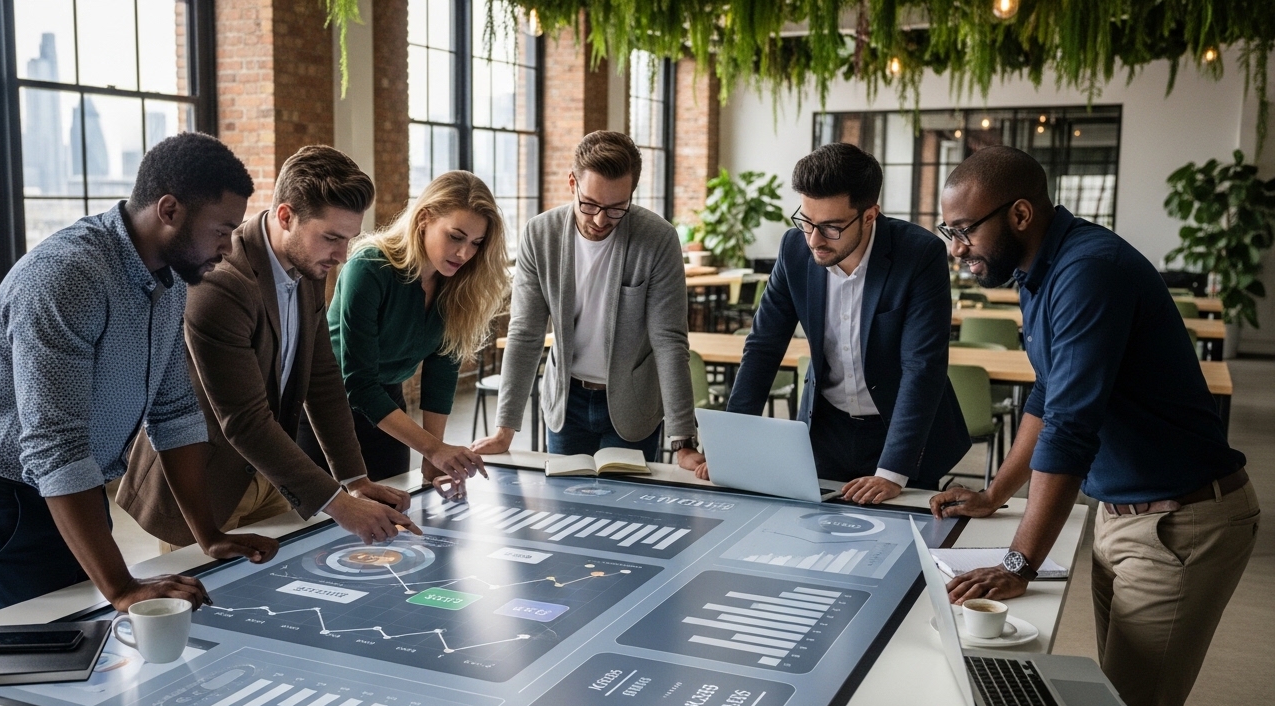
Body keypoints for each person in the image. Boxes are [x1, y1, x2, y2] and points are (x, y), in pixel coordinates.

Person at [930, 146, 1257, 706]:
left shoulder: (1089, 270)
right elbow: (1048, 393)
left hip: (1179, 524)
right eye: (950, 232)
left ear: (1020, 214)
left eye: (964, 230)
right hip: (1125, 514)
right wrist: (996, 493)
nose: (956, 248)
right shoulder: (1038, 271)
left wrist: (1020, 561)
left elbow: (1071, 428)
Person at [0, 133, 269, 621]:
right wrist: (122, 587)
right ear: (169, 210)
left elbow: (175, 413)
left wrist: (208, 535)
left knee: (84, 643)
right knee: (25, 656)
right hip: (2, 502)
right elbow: (55, 447)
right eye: (221, 229)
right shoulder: (67, 277)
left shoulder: (172, 279)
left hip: (75, 495)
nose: (229, 245)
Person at [118, 146, 418, 552]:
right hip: (205, 484)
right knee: (212, 592)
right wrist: (340, 505)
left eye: (348, 239)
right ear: (286, 216)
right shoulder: (221, 282)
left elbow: (323, 379)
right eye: (332, 238)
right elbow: (244, 421)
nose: (341, 255)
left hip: (270, 474)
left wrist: (354, 479)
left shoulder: (309, 261)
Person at [703, 143, 970, 503]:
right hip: (825, 428)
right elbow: (764, 346)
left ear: (869, 215)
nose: (814, 239)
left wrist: (891, 472)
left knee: (903, 532)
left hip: (901, 432)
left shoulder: (919, 254)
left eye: (830, 227)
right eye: (806, 221)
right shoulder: (794, 249)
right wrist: (732, 443)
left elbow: (922, 366)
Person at [471, 131, 706, 469]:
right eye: (590, 204)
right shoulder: (540, 235)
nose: (600, 220)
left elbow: (669, 341)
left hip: (633, 403)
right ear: (572, 183)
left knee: (627, 500)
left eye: (616, 209)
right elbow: (525, 333)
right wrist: (504, 430)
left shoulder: (658, 239)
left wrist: (683, 442)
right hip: (567, 401)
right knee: (565, 497)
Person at [298, 170, 506, 495]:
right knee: (328, 520)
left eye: (476, 243)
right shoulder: (369, 268)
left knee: (394, 510)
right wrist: (433, 448)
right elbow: (359, 384)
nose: (464, 253)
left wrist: (433, 457)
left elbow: (441, 377)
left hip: (389, 410)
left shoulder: (458, 286)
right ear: (424, 219)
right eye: (455, 236)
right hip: (326, 410)